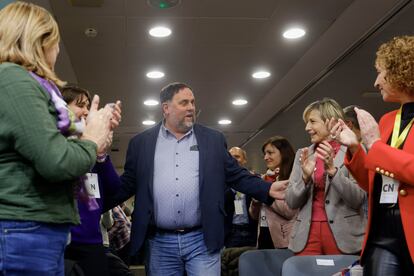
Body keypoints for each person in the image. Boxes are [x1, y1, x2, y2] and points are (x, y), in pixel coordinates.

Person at [110, 82, 288, 276]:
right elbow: (128, 183)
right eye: (184, 102)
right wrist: (94, 206)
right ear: (166, 108)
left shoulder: (212, 139)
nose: (191, 107)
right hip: (160, 242)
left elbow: (235, 174)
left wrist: (267, 189)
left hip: (202, 240)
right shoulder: (142, 143)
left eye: (193, 102)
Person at [0, 2, 114, 275]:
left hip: (34, 227)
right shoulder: (14, 79)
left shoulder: (23, 82)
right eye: (55, 41)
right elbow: (56, 161)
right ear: (39, 41)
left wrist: (95, 138)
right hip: (23, 229)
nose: (58, 50)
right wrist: (90, 139)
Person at [330, 35, 414, 275]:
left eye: (381, 72)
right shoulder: (388, 120)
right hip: (382, 234)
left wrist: (375, 145)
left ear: (402, 71)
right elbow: (372, 182)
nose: (376, 82)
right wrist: (355, 148)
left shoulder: (379, 130)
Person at [286, 98, 366, 256]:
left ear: (330, 121)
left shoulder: (353, 150)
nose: (307, 127)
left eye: (312, 121)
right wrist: (305, 179)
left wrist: (333, 171)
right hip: (306, 238)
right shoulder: (302, 155)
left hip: (345, 237)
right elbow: (291, 201)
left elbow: (358, 198)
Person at [62, 85, 122, 276]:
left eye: (88, 106)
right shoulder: (56, 146)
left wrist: (102, 154)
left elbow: (114, 189)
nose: (87, 111)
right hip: (62, 243)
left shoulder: (92, 149)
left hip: (92, 243)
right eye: (80, 105)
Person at [249, 136, 297, 249]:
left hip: (285, 240)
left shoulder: (294, 179)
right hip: (263, 236)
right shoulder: (264, 179)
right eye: (264, 154)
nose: (266, 157)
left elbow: (289, 212)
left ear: (284, 153)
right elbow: (254, 215)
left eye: (270, 153)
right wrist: (256, 201)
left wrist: (266, 192)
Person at [224, 147, 258, 248]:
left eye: (237, 156)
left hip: (251, 231)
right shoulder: (220, 181)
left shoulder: (253, 179)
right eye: (230, 157)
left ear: (244, 160)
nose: (234, 159)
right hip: (230, 233)